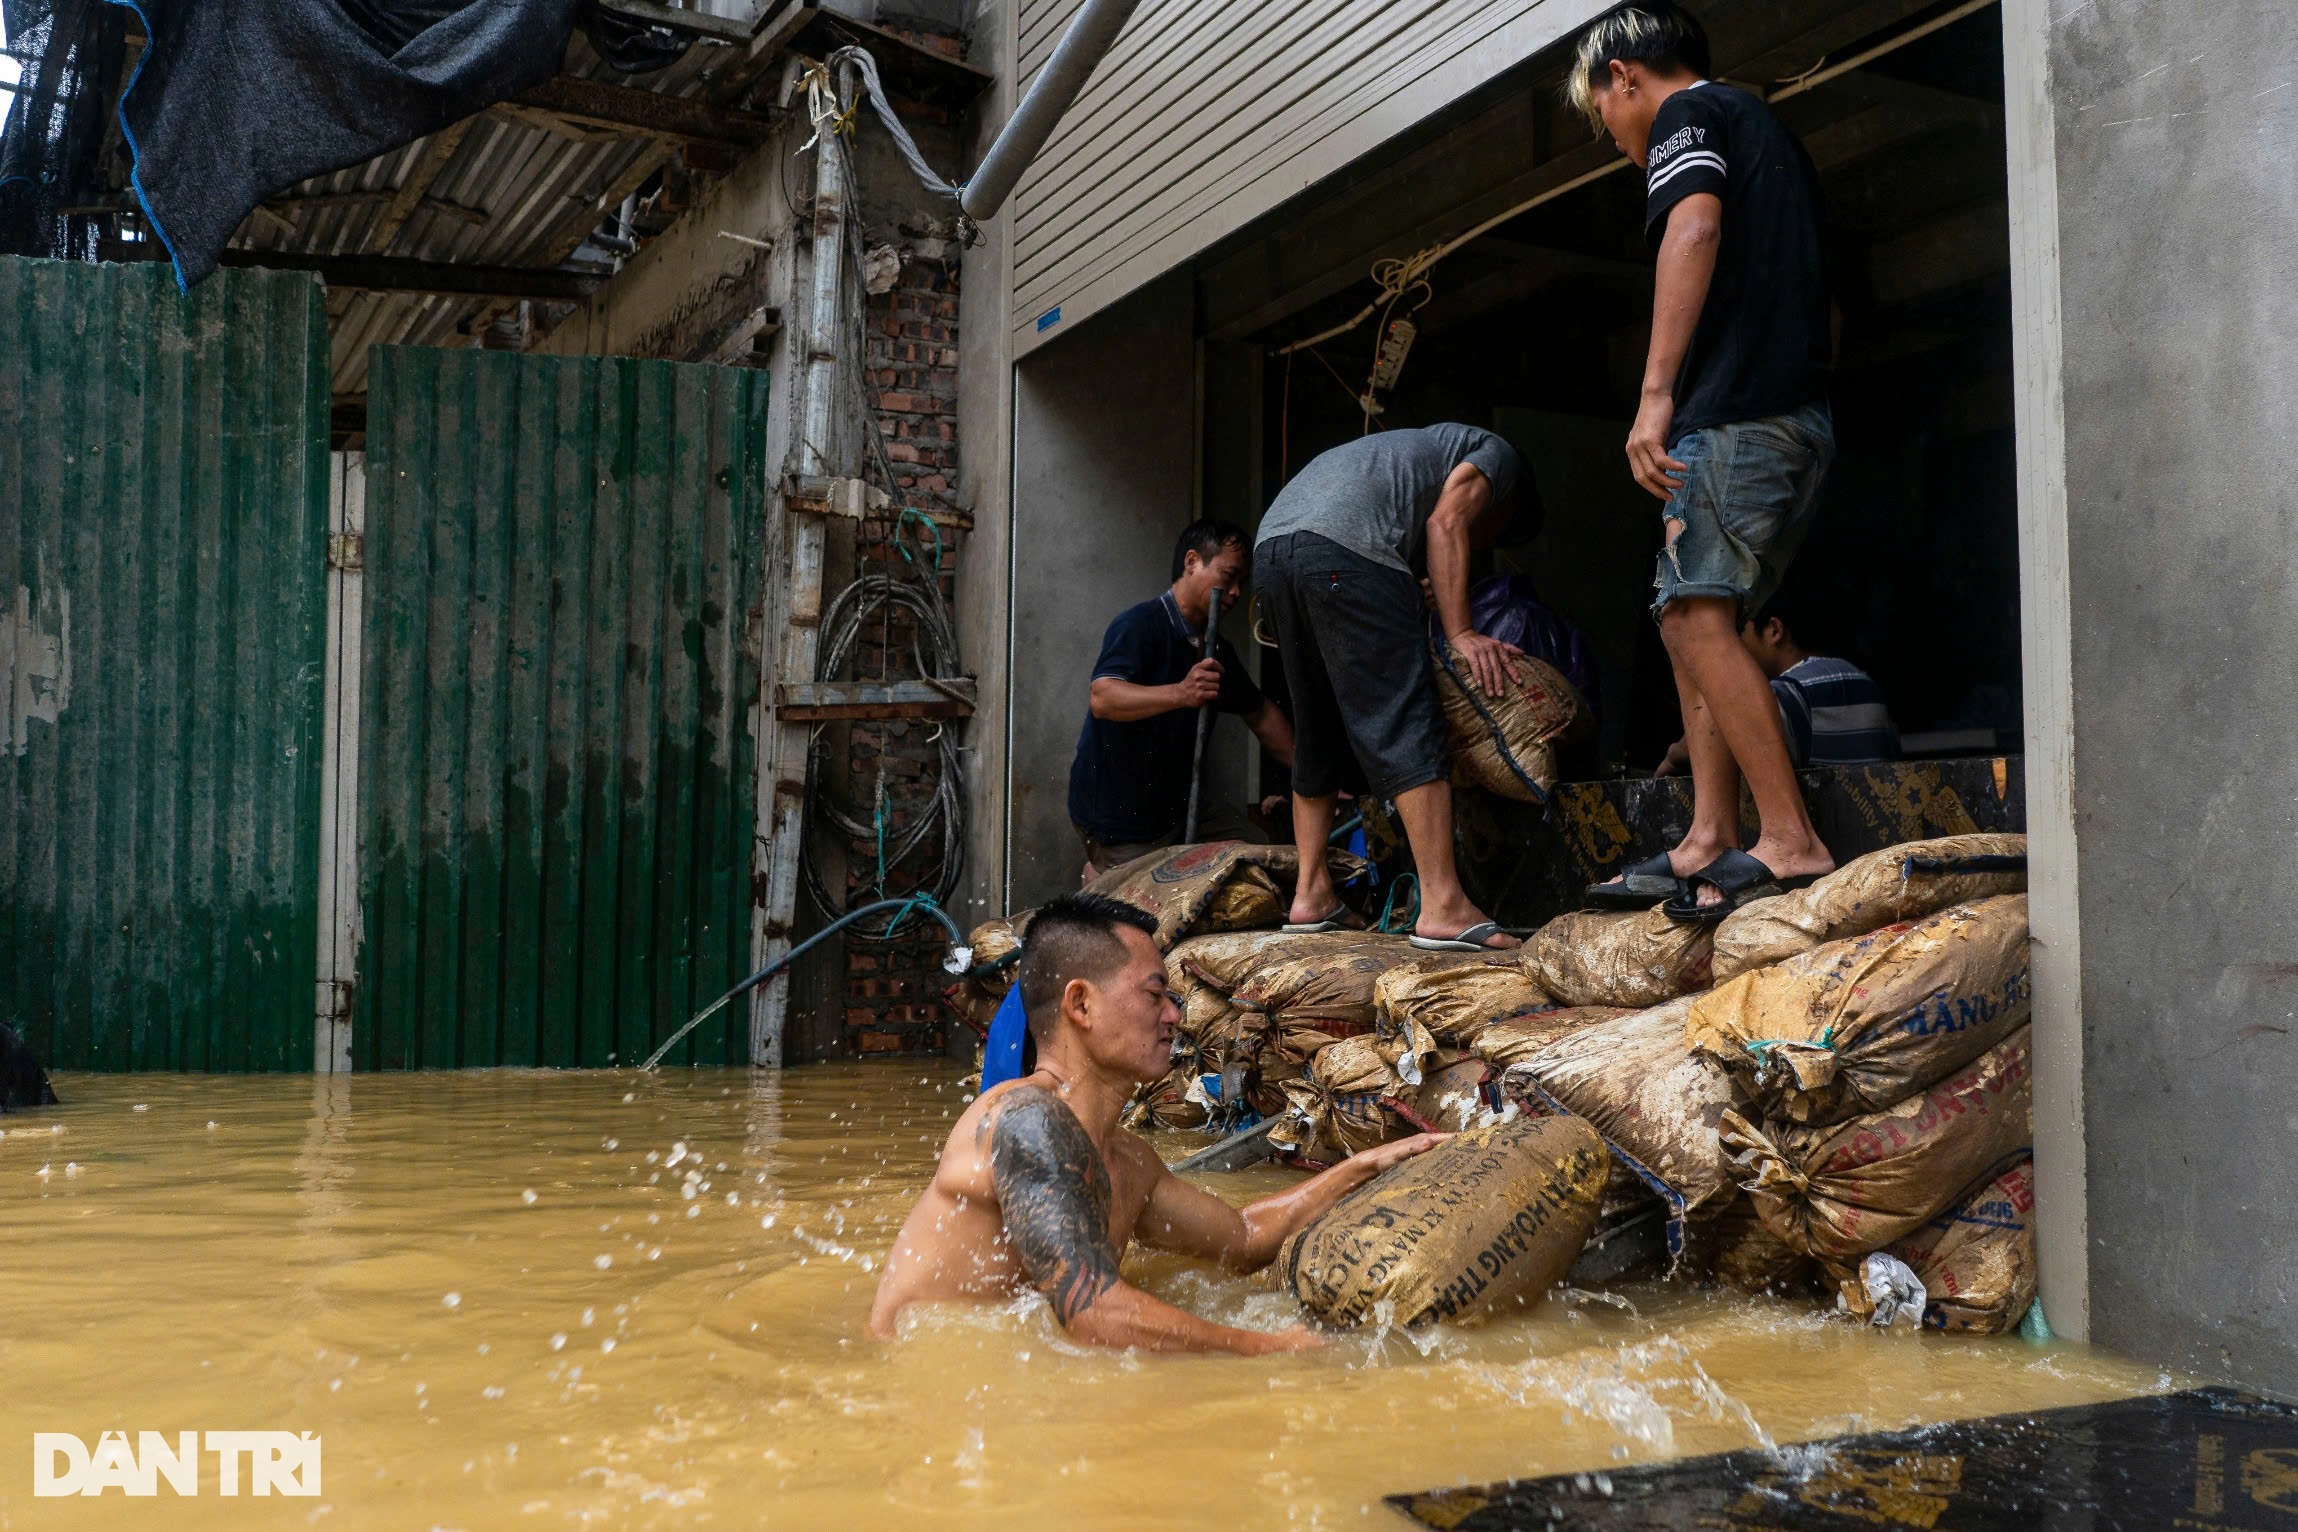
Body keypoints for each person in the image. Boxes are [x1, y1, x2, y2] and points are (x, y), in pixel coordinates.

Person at [868, 893, 1448, 1352]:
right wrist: (1269, 1348)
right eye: (1155, 994)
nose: (1176, 1014)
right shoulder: (1024, 1120)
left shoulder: (1129, 1162)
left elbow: (1243, 1240)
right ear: (1081, 1005)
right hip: (928, 1406)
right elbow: (1093, 1315)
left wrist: (1365, 1165)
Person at [1568, 2, 1841, 924]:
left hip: (1739, 418)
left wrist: (1654, 398)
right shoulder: (1766, 132)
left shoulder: (1692, 115)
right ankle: (1710, 834)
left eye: (1600, 104)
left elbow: (1693, 231)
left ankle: (1791, 841)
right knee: (1698, 617)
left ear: (1626, 77)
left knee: (1689, 620)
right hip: (1788, 417)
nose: (1608, 128)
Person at [1255, 425, 1539, 952]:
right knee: (1405, 717)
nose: (1483, 542)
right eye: (1492, 535)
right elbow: (1447, 522)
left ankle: (1311, 892)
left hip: (1272, 550)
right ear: (1505, 505)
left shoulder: (1410, 454)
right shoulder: (1498, 455)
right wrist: (1461, 633)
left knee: (1316, 725)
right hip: (1340, 547)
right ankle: (1444, 905)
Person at [1067, 520, 1296, 879]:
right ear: (1192, 562)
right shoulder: (1140, 625)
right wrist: (1181, 693)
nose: (1235, 592)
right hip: (1121, 814)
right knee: (1146, 909)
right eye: (1229, 576)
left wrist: (1310, 773)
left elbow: (1260, 713)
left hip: (1178, 805)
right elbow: (1104, 697)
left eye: (1241, 583)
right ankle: (1101, 873)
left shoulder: (1216, 649)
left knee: (1260, 859)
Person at [1655, 600, 1897, 775]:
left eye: (1737, 633)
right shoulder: (1866, 684)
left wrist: (1670, 760)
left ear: (1774, 631)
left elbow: (1711, 736)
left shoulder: (1788, 690)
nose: (1732, 648)